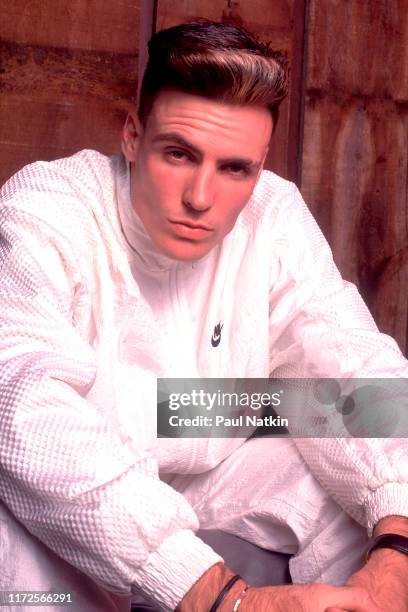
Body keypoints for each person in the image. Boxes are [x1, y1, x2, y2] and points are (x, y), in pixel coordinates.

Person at [0, 19, 407, 612]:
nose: (199, 198)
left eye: (234, 168)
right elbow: (22, 406)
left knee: (350, 455)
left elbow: (355, 366)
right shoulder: (45, 206)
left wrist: (396, 550)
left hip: (204, 441)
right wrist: (220, 597)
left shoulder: (274, 212)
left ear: (260, 165)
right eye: (178, 154)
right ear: (134, 136)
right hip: (88, 457)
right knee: (12, 488)